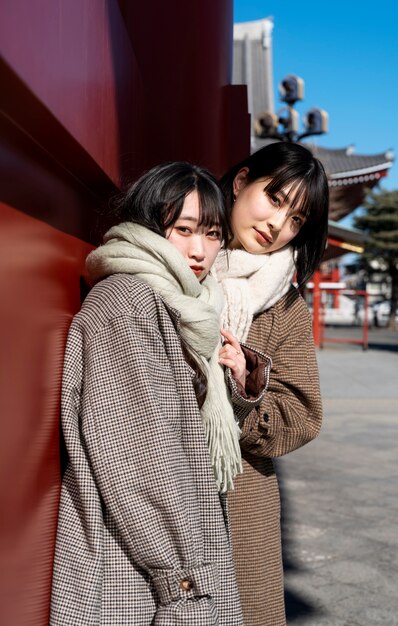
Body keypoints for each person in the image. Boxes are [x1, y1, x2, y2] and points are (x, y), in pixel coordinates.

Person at [49, 162, 270, 626]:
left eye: (211, 234)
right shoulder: (127, 305)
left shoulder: (189, 303)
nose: (199, 249)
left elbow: (184, 424)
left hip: (165, 559)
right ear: (148, 225)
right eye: (183, 229)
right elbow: (139, 458)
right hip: (140, 574)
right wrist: (185, 583)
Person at [214, 141, 329, 626]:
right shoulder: (179, 258)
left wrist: (244, 387)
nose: (278, 224)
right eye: (275, 198)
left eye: (297, 219)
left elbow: (303, 416)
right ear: (241, 183)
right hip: (156, 483)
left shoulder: (285, 305)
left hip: (238, 500)